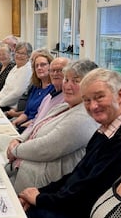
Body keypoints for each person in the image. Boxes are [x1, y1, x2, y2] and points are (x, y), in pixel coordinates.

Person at [18, 68, 121, 218]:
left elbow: (89, 191)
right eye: (87, 100)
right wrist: (38, 192)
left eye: (100, 97)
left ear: (120, 95)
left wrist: (41, 199)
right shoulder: (104, 130)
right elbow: (78, 174)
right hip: (77, 206)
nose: (93, 106)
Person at [6, 59, 99, 193]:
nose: (68, 86)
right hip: (22, 168)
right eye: (66, 80)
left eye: (76, 81)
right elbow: (36, 124)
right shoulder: (64, 106)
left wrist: (15, 150)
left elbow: (47, 148)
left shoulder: (84, 116)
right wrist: (18, 140)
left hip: (43, 186)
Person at [9, 50, 54, 131]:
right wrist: (14, 123)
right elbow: (26, 113)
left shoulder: (53, 89)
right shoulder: (35, 87)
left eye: (43, 65)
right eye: (36, 66)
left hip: (35, 128)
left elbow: (43, 118)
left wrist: (21, 127)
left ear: (51, 66)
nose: (39, 68)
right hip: (23, 124)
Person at [21, 56, 69, 132]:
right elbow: (35, 121)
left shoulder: (68, 99)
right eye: (52, 70)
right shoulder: (48, 97)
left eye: (60, 70)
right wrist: (20, 139)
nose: (55, 73)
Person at [0, 42, 32, 110]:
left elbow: (17, 93)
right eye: (17, 52)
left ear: (28, 56)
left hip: (12, 107)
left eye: (22, 53)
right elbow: (5, 87)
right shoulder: (15, 67)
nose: (19, 56)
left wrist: (0, 103)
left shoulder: (27, 70)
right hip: (3, 103)